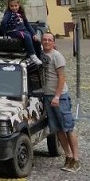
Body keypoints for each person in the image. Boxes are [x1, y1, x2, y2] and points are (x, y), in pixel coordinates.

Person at [41, 33, 81, 173]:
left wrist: (57, 96)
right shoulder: (41, 54)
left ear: (53, 42)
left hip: (59, 97)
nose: (46, 42)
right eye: (44, 40)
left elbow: (62, 77)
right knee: (58, 129)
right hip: (47, 97)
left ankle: (76, 159)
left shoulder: (56, 56)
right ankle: (68, 156)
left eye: (49, 40)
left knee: (68, 128)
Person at [1, 0, 41, 65]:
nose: (14, 8)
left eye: (16, 5)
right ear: (9, 6)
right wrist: (5, 32)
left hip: (22, 30)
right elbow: (3, 22)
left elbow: (27, 24)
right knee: (27, 36)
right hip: (13, 31)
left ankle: (37, 56)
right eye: (12, 6)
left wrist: (34, 34)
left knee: (35, 40)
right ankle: (32, 55)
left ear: (19, 5)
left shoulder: (21, 13)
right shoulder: (9, 13)